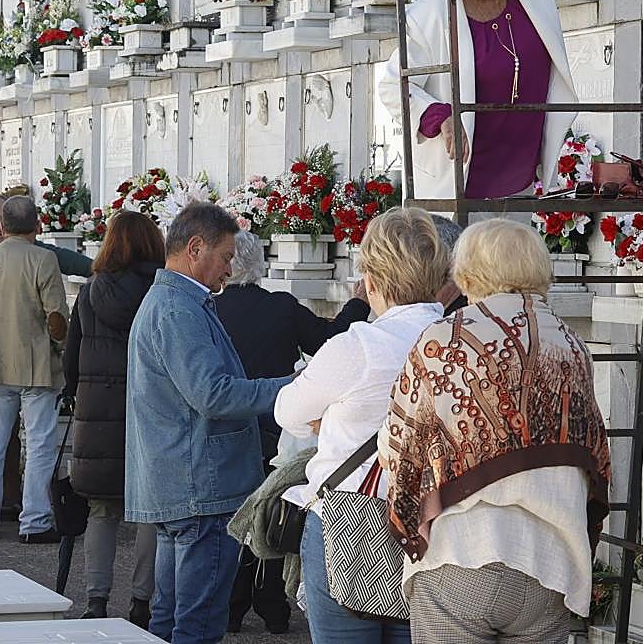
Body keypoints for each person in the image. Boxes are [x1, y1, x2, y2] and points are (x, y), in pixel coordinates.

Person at [380, 218, 611, 644]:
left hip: (463, 553)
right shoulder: (572, 345)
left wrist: (409, 527)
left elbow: (400, 443)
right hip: (551, 565)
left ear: (466, 274)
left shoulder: (443, 339)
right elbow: (593, 451)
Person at [376, 0, 643, 200]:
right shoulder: (431, 14)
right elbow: (394, 87)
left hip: (519, 180)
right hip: (460, 182)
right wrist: (441, 116)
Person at [275, 207, 449, 644]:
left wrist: (324, 422)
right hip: (435, 526)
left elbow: (287, 412)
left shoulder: (356, 346)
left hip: (351, 528)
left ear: (370, 279)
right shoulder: (460, 343)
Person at [126, 202, 292, 644]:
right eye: (225, 255)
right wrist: (294, 386)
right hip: (201, 487)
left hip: (181, 480)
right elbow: (214, 394)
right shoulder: (179, 309)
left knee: (170, 614)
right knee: (197, 622)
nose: (230, 267)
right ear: (195, 249)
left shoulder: (175, 301)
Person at [215, 230, 371, 635]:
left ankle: (231, 606)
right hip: (275, 425)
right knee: (270, 511)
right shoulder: (279, 307)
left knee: (235, 517)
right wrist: (359, 301)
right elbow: (329, 340)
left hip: (225, 426)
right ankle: (271, 604)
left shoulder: (207, 308)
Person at [62, 210, 163, 627]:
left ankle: (96, 598)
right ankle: (142, 600)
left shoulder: (90, 293)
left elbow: (71, 359)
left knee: (101, 511)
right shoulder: (160, 292)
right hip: (148, 415)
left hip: (97, 415)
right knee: (148, 512)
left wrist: (79, 395)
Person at [0, 194, 69, 543]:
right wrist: (62, 347)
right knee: (38, 443)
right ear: (37, 225)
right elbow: (56, 318)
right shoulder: (43, 259)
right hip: (34, 364)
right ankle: (34, 521)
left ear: (2, 227)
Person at [0, 193, 92, 288]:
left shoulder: (22, 244)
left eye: (3, 219)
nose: (0, 226)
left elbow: (58, 256)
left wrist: (96, 267)